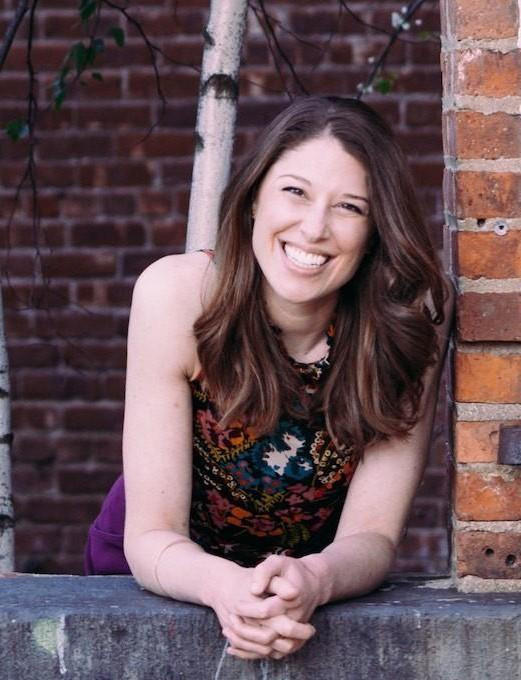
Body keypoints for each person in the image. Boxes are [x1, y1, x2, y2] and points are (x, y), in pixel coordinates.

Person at [85, 95, 453, 660]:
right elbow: (152, 533)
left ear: (378, 229)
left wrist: (314, 581)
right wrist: (226, 588)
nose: (314, 227)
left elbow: (374, 535)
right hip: (157, 576)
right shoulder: (179, 296)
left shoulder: (410, 316)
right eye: (295, 192)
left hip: (309, 594)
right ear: (255, 196)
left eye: (349, 207)